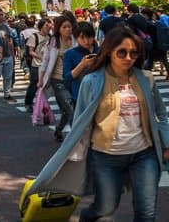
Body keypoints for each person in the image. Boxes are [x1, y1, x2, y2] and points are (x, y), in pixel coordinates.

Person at [33, 26, 169, 220]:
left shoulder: (146, 78)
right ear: (109, 52)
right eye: (122, 52)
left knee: (146, 213)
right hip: (106, 157)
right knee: (105, 208)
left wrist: (166, 143)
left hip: (144, 154)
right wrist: (75, 153)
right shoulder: (92, 81)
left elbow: (161, 114)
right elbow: (81, 121)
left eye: (133, 53)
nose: (128, 57)